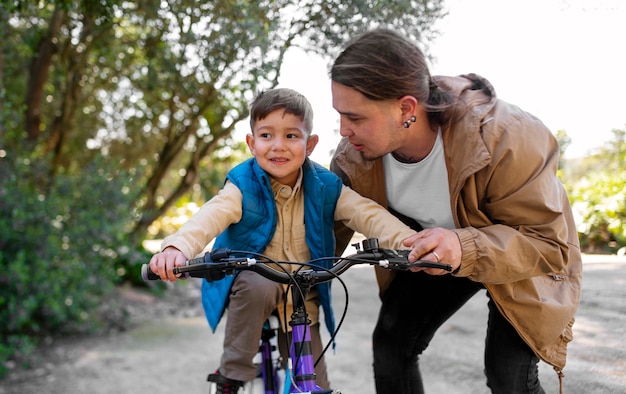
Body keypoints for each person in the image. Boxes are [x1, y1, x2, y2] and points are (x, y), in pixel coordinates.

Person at [329, 28, 582, 394]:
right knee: (391, 344)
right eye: (339, 115)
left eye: (355, 117)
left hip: (519, 251)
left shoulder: (510, 136)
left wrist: (464, 246)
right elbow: (324, 232)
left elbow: (548, 244)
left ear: (405, 108)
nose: (343, 129)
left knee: (508, 377)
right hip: (440, 248)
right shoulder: (354, 156)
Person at [149, 88, 421, 393]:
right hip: (254, 283)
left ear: (310, 144)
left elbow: (367, 213)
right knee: (258, 286)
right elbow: (212, 215)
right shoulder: (243, 184)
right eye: (266, 135)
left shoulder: (325, 186)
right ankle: (232, 375)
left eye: (292, 136)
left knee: (314, 383)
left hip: (302, 293)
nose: (279, 146)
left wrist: (413, 242)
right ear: (252, 144)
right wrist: (177, 247)